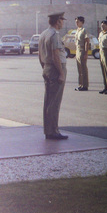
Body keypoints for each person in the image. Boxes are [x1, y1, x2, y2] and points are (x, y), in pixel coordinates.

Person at [38, 12, 68, 140]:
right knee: (54, 103)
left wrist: (44, 67)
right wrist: (61, 73)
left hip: (47, 68)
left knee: (48, 102)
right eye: (62, 20)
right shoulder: (54, 34)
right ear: (58, 21)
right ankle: (53, 131)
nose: (63, 22)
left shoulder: (44, 33)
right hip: (56, 69)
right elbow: (56, 55)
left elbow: (40, 54)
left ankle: (48, 130)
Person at [74, 16, 89, 91]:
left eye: (78, 21)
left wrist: (86, 53)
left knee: (83, 69)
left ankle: (85, 85)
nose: (76, 23)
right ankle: (80, 84)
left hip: (82, 50)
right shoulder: (77, 30)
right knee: (79, 69)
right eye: (76, 21)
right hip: (77, 50)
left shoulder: (84, 30)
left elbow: (87, 42)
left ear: (82, 22)